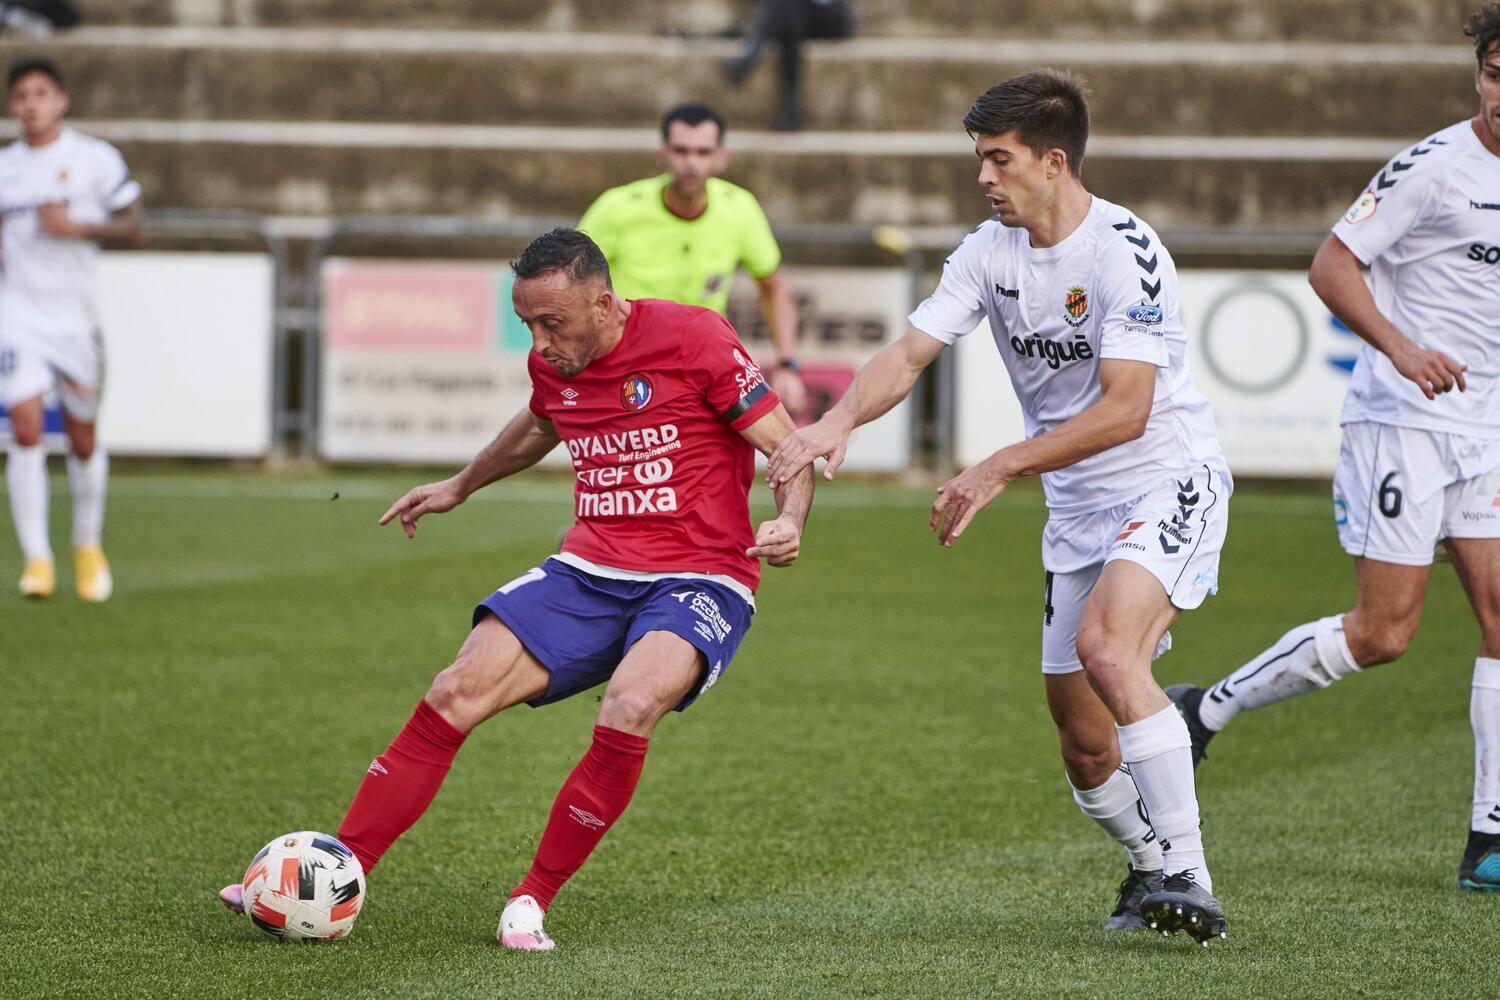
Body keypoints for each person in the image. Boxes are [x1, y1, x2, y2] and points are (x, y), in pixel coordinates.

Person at [218, 228, 815, 950]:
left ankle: (532, 899)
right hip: (589, 569)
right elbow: (539, 426)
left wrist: (789, 520)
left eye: (551, 323)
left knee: (630, 704)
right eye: (527, 324)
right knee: (454, 691)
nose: (538, 342)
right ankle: (335, 873)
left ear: (603, 304)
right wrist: (461, 485)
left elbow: (788, 446)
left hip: (702, 574)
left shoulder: (694, 338)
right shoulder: (554, 362)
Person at [767, 70, 1233, 943]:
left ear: (1053, 162)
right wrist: (837, 421)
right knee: (1084, 745)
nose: (984, 176)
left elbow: (1128, 409)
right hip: (1077, 509)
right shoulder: (988, 250)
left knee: (1107, 647)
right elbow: (909, 355)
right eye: (979, 158)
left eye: (999, 159)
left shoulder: (1126, 251)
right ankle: (1147, 865)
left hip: (1168, 479)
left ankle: (1190, 876)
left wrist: (999, 466)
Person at [1169, 3, 1500, 893]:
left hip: (1489, 430)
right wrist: (1402, 348)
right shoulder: (1435, 168)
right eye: (1495, 73)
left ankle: (1489, 840)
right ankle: (1207, 707)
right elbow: (1331, 264)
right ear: (1479, 74)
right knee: (1385, 633)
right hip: (1403, 421)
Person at [1, 56, 144, 601]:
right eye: (21, 96)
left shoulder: (94, 159)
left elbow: (136, 227)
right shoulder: (5, 167)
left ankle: (87, 544)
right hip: (16, 317)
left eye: (40, 94)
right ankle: (37, 559)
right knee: (26, 429)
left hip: (75, 321)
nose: (30, 105)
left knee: (82, 439)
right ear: (12, 106)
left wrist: (75, 227)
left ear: (61, 100)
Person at [579, 102, 808, 418]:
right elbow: (571, 283)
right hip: (628, 367)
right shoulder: (617, 208)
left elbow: (774, 285)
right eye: (681, 150)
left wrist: (787, 364)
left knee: (775, 434)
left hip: (706, 365)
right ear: (662, 154)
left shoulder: (739, 208)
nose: (691, 163)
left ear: (721, 157)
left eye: (703, 152)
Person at [722, 0, 855, 131]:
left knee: (787, 9)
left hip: (833, 17)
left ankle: (753, 50)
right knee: (789, 20)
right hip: (795, 21)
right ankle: (791, 108)